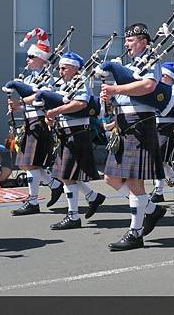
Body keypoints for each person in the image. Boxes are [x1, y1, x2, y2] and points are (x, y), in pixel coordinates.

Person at [100, 23, 167, 250]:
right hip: (123, 124)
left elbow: (148, 86)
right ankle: (151, 209)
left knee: (135, 182)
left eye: (131, 40)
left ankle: (135, 232)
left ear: (143, 41)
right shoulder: (131, 66)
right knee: (111, 178)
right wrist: (111, 97)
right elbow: (127, 93)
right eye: (126, 41)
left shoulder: (151, 62)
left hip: (140, 124)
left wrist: (116, 90)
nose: (126, 44)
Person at [44, 52, 107, 230]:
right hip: (65, 132)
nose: (60, 71)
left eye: (64, 68)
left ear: (74, 68)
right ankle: (93, 197)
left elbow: (81, 103)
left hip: (77, 132)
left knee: (66, 176)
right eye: (59, 68)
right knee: (68, 175)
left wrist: (57, 111)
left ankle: (73, 216)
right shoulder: (63, 85)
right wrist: (51, 116)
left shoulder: (80, 82)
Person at [7, 29, 64, 215]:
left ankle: (33, 202)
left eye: (31, 56)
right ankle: (54, 185)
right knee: (26, 164)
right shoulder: (30, 78)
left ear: (41, 58)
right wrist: (17, 108)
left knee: (30, 164)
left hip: (39, 123)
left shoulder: (48, 79)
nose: (27, 59)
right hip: (29, 122)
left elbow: (42, 100)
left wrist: (22, 100)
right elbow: (30, 103)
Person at [150, 61, 174, 203]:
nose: (161, 77)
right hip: (155, 125)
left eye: (164, 75)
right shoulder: (157, 89)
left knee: (158, 159)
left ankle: (159, 191)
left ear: (171, 77)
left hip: (168, 126)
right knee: (160, 160)